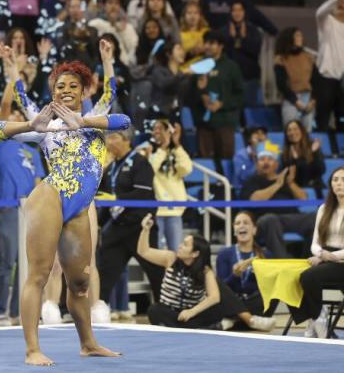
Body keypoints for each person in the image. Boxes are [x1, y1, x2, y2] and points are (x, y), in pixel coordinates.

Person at [0, 42, 129, 365]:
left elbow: (123, 118)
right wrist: (29, 125)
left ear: (82, 92)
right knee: (38, 274)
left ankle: (88, 343)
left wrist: (106, 64)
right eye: (59, 86)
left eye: (72, 86)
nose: (65, 90)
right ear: (53, 92)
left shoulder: (95, 118)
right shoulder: (46, 126)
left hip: (78, 208)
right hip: (50, 197)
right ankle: (32, 349)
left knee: (79, 282)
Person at [139, 214, 275, 331]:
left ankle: (212, 325)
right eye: (238, 222)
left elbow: (214, 297)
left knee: (216, 301)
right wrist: (145, 230)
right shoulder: (170, 258)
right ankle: (222, 325)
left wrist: (191, 311)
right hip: (171, 311)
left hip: (193, 313)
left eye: (185, 244)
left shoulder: (205, 270)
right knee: (154, 310)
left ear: (195, 253)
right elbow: (143, 251)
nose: (179, 246)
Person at [0, 81, 46, 326]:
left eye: (18, 114)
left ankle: (17, 311)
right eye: (13, 114)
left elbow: (38, 182)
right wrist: (12, 78)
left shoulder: (32, 150)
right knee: (8, 259)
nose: (14, 116)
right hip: (9, 207)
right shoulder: (2, 142)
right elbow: (3, 107)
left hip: (30, 212)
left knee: (27, 260)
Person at [97, 127, 165, 310]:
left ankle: (165, 308)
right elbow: (103, 196)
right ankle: (99, 307)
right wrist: (98, 223)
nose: (109, 141)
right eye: (107, 138)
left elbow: (143, 193)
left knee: (155, 270)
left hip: (140, 226)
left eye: (113, 137)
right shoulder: (110, 168)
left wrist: (117, 199)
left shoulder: (140, 162)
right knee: (105, 268)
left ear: (127, 140)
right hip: (118, 226)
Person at [291, 167, 344, 338]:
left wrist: (333, 256)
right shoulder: (324, 208)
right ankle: (316, 317)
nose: (339, 183)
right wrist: (322, 254)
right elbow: (314, 243)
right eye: (335, 179)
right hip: (324, 257)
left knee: (308, 277)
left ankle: (318, 320)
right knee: (290, 276)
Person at [240, 141, 315, 258]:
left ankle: (309, 259)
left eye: (269, 159)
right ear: (257, 164)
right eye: (262, 159)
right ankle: (282, 261)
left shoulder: (285, 180)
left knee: (315, 217)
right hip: (264, 220)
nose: (265, 162)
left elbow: (304, 198)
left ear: (276, 164)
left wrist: (290, 183)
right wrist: (276, 185)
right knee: (271, 219)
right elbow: (255, 199)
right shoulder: (252, 181)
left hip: (290, 218)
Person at [216, 211, 276, 330]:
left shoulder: (266, 254)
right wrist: (235, 276)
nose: (241, 225)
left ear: (254, 230)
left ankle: (234, 319)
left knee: (277, 286)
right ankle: (249, 320)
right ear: (234, 230)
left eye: (246, 223)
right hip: (231, 301)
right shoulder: (224, 254)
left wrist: (259, 275)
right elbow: (221, 289)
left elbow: (268, 288)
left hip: (254, 303)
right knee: (215, 282)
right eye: (237, 223)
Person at [190, 30, 244, 159]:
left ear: (221, 46)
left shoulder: (231, 67)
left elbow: (240, 96)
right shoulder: (197, 67)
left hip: (225, 123)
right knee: (205, 164)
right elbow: (188, 96)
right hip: (203, 125)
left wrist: (222, 104)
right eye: (206, 43)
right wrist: (201, 95)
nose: (207, 46)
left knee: (226, 163)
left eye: (212, 43)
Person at [314, 0, 344, 131]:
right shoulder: (326, 22)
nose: (341, 5)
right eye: (338, 4)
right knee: (322, 119)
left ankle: (342, 150)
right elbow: (319, 12)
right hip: (325, 79)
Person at [150, 119, 192, 252]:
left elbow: (186, 169)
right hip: (156, 210)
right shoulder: (148, 150)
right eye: (155, 128)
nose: (157, 131)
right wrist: (162, 148)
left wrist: (176, 144)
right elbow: (151, 169)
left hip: (174, 210)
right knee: (157, 251)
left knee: (176, 252)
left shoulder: (176, 152)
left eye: (161, 128)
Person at [274, 27, 316, 132]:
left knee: (307, 133)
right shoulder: (281, 59)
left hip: (308, 98)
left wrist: (313, 100)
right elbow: (281, 84)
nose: (300, 38)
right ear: (290, 38)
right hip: (290, 100)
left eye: (300, 35)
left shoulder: (308, 57)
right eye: (297, 35)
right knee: (291, 131)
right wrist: (295, 101)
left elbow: (316, 81)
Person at [281, 120, 325, 194]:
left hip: (316, 188)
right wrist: (309, 153)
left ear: (302, 131)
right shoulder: (285, 154)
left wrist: (311, 153)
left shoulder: (313, 147)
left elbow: (320, 170)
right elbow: (298, 177)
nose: (292, 133)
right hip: (296, 190)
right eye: (289, 130)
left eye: (295, 129)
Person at [232, 126, 268, 193]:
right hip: (244, 189)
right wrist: (256, 161)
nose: (260, 137)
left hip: (265, 189)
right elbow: (242, 177)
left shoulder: (270, 153)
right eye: (257, 135)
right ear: (249, 139)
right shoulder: (240, 155)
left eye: (262, 134)